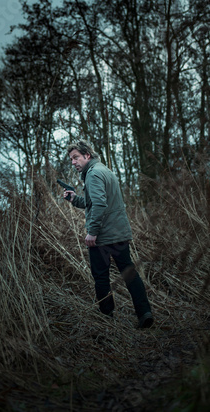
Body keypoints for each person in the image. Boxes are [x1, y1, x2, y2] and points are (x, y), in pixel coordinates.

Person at [63, 139, 153, 329]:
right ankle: (145, 313)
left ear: (87, 155)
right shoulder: (103, 170)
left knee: (101, 277)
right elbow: (96, 203)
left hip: (103, 237)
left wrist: (92, 232)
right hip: (119, 234)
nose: (73, 162)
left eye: (76, 157)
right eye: (71, 159)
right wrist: (74, 199)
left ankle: (106, 318)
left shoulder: (93, 175)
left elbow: (100, 205)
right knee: (129, 273)